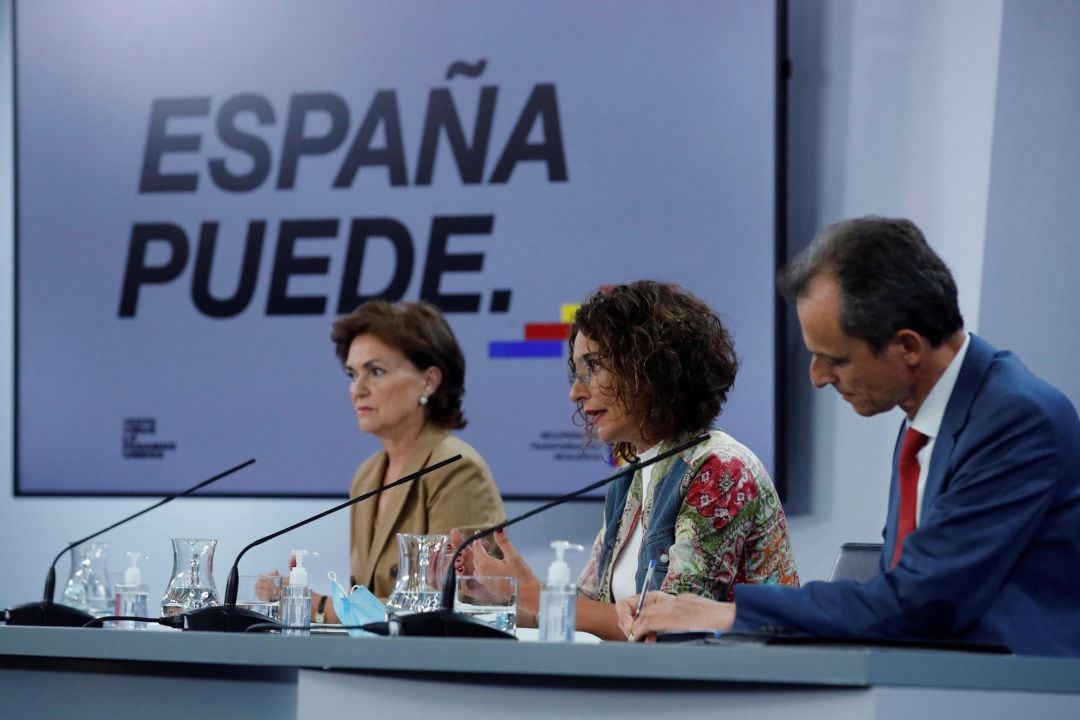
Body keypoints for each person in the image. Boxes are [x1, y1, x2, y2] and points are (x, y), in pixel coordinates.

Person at [618, 217, 1080, 656]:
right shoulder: (928, 417)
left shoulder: (1015, 419)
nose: (817, 377)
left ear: (907, 347)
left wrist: (727, 613)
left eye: (834, 359)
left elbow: (918, 604)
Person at [455, 280, 798, 640]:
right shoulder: (632, 474)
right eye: (577, 371)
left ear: (655, 369)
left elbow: (671, 626)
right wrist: (496, 598)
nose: (576, 392)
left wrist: (536, 594)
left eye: (595, 366)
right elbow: (589, 608)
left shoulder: (722, 471)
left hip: (741, 689)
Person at [270, 301, 506, 622]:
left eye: (376, 371)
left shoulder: (456, 469)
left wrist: (320, 606)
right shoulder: (367, 475)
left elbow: (449, 604)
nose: (358, 389)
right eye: (353, 375)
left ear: (429, 381)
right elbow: (365, 593)